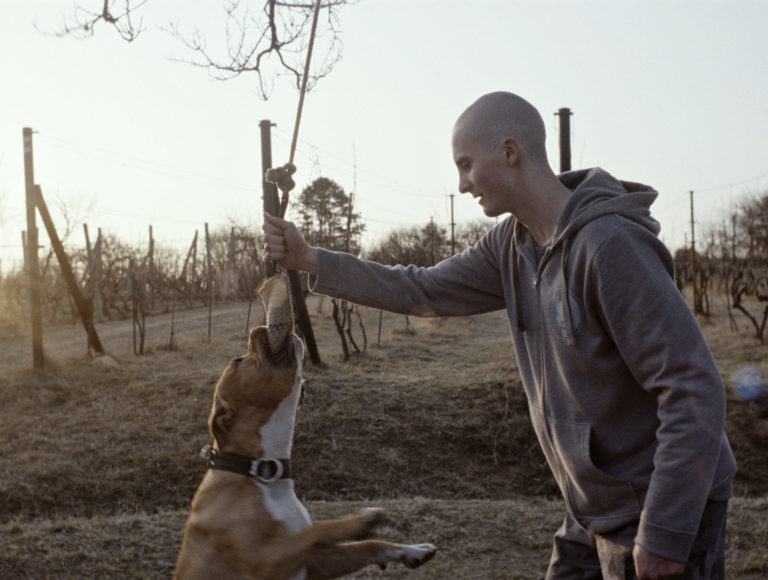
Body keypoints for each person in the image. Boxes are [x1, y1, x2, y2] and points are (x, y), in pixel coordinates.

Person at [262, 91, 736, 580]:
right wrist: (309, 259)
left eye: (466, 165)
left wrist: (665, 531)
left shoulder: (610, 246)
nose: (462, 184)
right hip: (593, 507)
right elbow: (422, 289)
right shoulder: (511, 244)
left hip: (658, 503)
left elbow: (692, 387)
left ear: (510, 152)